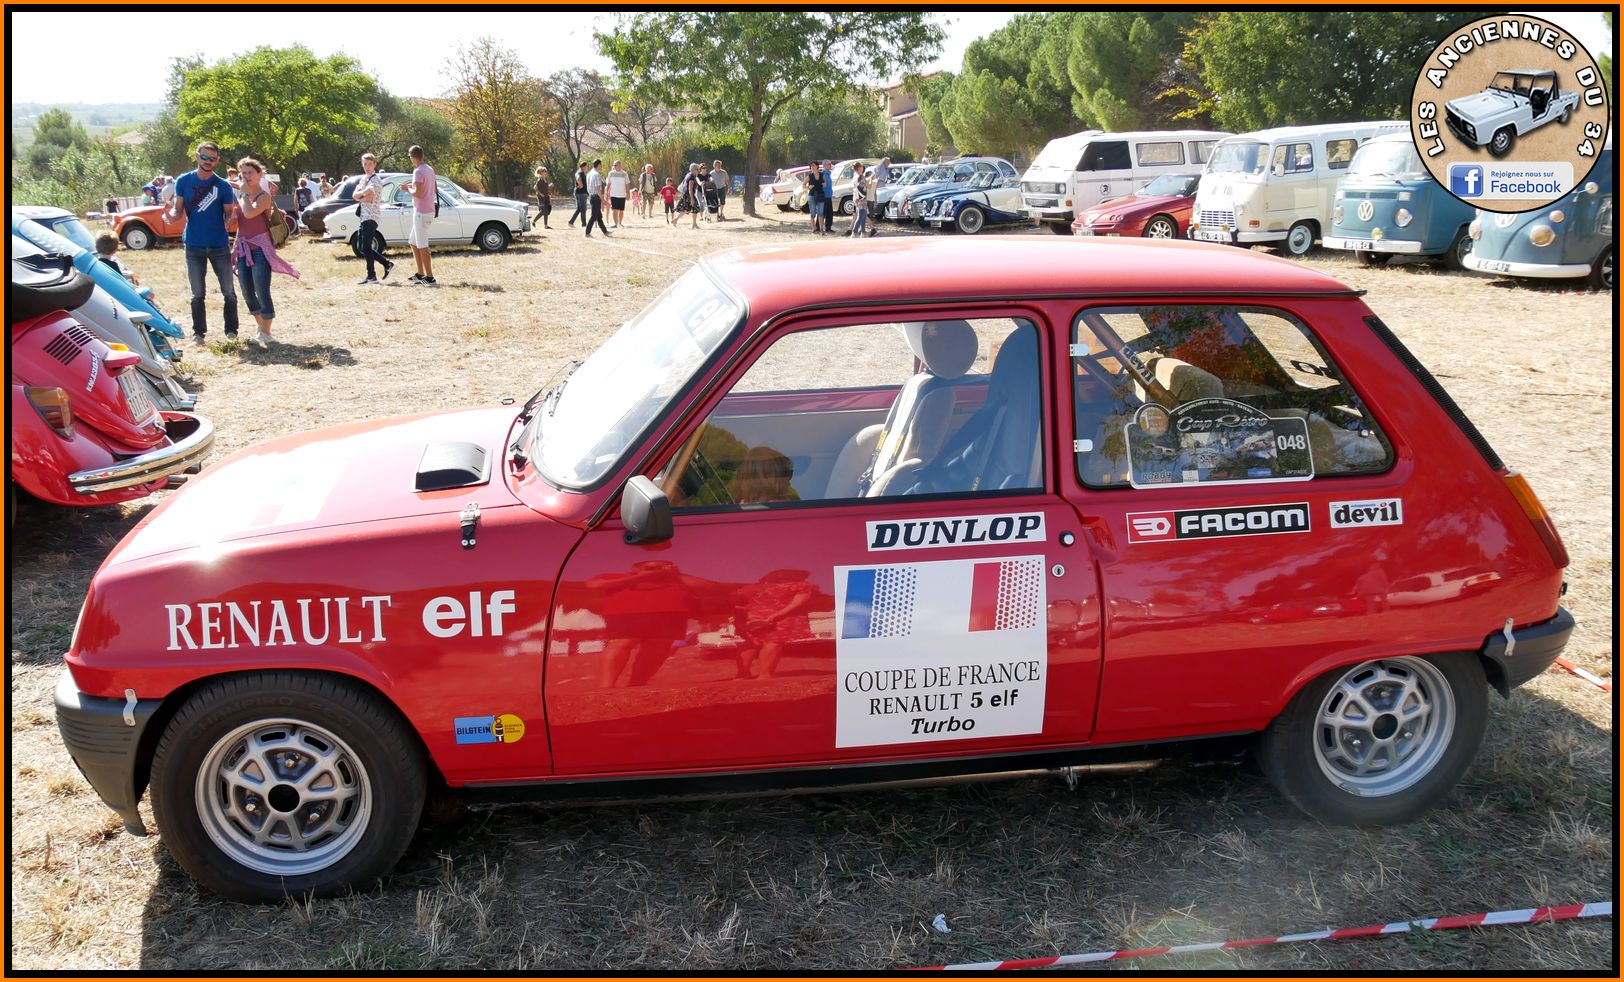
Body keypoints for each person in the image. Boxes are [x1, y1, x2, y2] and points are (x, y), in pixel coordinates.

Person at [168, 141, 239, 344]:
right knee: (197, 294)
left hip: (219, 244)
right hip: (193, 244)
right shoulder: (183, 181)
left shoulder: (223, 186)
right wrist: (171, 216)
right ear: (197, 156)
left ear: (217, 160)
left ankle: (231, 332)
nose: (208, 161)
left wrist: (232, 218)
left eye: (212, 159)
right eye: (204, 157)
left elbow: (228, 213)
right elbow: (178, 210)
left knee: (228, 291)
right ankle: (198, 334)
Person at [231, 157, 300, 346]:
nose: (246, 177)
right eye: (243, 173)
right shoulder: (242, 196)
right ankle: (260, 327)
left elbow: (250, 213)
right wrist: (234, 245)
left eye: (250, 173)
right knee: (246, 290)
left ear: (259, 174)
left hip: (260, 248)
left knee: (261, 290)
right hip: (243, 248)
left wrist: (244, 195)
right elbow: (241, 223)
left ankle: (266, 332)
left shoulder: (264, 196)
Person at [354, 153, 395, 284]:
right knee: (362, 247)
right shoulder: (363, 179)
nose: (367, 167)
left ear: (375, 165)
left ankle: (372, 275)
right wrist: (362, 194)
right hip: (363, 216)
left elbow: (369, 198)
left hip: (371, 216)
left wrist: (361, 195)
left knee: (366, 247)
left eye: (370, 164)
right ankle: (385, 265)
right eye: (365, 164)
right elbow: (354, 195)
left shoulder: (375, 180)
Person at [402, 144, 437, 285]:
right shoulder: (429, 169)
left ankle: (430, 277)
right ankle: (420, 273)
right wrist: (412, 187)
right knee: (413, 242)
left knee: (422, 245)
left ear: (413, 157)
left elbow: (418, 193)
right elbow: (426, 189)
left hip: (421, 212)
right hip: (427, 210)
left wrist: (407, 189)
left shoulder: (418, 171)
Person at [583, 158, 610, 237]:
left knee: (598, 216)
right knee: (594, 215)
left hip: (591, 196)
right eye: (601, 165)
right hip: (595, 197)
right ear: (598, 165)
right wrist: (603, 199)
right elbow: (597, 189)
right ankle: (587, 232)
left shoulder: (589, 173)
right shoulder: (596, 174)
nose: (601, 166)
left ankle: (605, 231)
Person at [848, 162, 870, 238]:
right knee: (861, 215)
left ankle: (863, 232)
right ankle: (854, 232)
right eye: (861, 167)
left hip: (857, 198)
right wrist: (863, 195)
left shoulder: (855, 176)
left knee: (863, 215)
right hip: (861, 199)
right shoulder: (861, 177)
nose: (862, 168)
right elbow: (861, 187)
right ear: (859, 168)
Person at [607, 159, 629, 228]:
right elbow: (608, 183)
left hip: (622, 195)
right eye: (614, 165)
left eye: (616, 165)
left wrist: (628, 193)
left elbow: (627, 184)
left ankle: (620, 223)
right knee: (614, 209)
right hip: (613, 194)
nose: (615, 166)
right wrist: (607, 193)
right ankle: (616, 224)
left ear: (620, 165)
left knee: (621, 210)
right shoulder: (611, 173)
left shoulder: (624, 173)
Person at [804, 161, 824, 233]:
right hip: (812, 195)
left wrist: (824, 184)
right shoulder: (809, 176)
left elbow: (825, 183)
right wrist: (808, 187)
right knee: (813, 213)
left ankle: (821, 229)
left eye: (813, 165)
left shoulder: (822, 175)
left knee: (821, 212)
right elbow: (803, 185)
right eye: (811, 166)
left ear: (817, 166)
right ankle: (814, 228)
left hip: (820, 195)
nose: (812, 167)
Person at [683, 163, 704, 229]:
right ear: (694, 169)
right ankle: (694, 224)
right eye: (697, 169)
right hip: (690, 195)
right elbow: (690, 188)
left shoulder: (688, 175)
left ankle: (694, 224)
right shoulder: (691, 177)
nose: (698, 171)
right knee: (689, 210)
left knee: (693, 210)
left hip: (687, 194)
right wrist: (692, 198)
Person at [567, 161, 589, 226]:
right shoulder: (580, 173)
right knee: (583, 209)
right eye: (587, 166)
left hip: (580, 193)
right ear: (583, 166)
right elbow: (578, 178)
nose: (587, 167)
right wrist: (581, 185)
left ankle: (571, 222)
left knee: (579, 209)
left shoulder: (580, 172)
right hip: (581, 193)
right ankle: (584, 224)